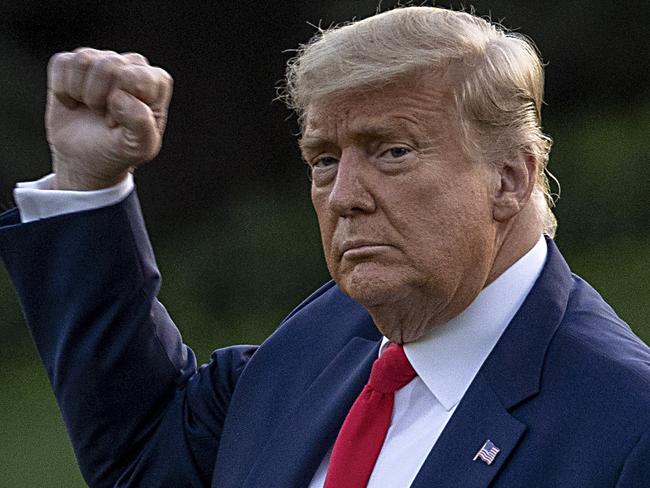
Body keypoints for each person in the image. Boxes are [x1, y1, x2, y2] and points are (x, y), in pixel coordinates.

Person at [1, 6, 648, 488]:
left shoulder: (626, 426)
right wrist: (90, 183)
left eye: (391, 151)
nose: (344, 196)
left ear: (511, 177)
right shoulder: (321, 339)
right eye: (324, 159)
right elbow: (145, 453)